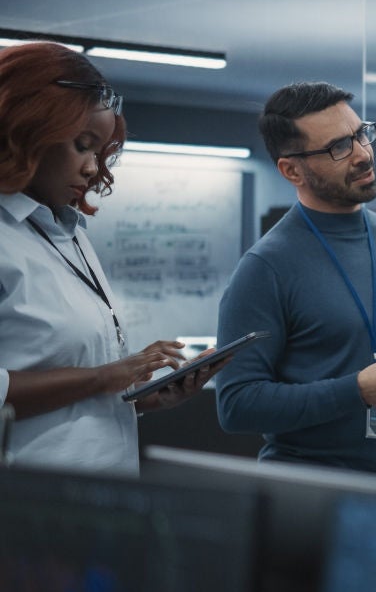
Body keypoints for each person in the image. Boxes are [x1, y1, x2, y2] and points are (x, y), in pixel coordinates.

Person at [216, 81, 376, 479]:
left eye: (361, 134)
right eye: (339, 147)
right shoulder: (265, 266)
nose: (362, 154)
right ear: (291, 170)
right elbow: (236, 404)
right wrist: (356, 390)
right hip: (307, 498)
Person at [0, 41, 224, 475]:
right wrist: (106, 377)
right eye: (82, 146)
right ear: (24, 131)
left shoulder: (69, 234)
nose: (91, 168)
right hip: (26, 504)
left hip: (99, 496)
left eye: (100, 152)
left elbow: (73, 391)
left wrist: (141, 394)